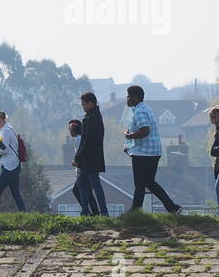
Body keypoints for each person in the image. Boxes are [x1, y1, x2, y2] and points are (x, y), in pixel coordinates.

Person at [122, 85, 180, 214]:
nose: (127, 99)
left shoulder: (139, 111)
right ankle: (172, 207)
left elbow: (145, 131)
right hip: (153, 151)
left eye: (128, 96)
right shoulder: (145, 108)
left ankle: (135, 212)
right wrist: (130, 143)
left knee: (139, 185)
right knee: (149, 182)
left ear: (135, 97)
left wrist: (129, 136)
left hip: (143, 154)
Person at [73, 91, 109, 217]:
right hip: (91, 158)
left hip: (90, 159)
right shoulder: (96, 116)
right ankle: (86, 211)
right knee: (82, 184)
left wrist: (77, 157)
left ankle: (102, 212)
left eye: (84, 104)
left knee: (95, 185)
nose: (82, 107)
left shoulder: (90, 118)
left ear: (90, 103)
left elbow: (86, 141)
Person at [0, 110, 25, 213]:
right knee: (15, 193)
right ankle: (24, 213)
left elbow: (4, 149)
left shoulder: (6, 130)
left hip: (10, 166)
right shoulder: (9, 128)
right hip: (15, 164)